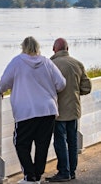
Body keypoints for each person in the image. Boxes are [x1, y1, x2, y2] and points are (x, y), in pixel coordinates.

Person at [0, 36, 66, 184]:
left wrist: (0, 91)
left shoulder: (17, 62)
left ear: (23, 47)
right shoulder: (47, 62)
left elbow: (4, 82)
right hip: (47, 110)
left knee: (21, 143)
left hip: (26, 111)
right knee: (42, 145)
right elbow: (61, 83)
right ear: (37, 47)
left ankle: (30, 176)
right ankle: (36, 176)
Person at [45, 38, 92, 182]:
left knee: (60, 142)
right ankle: (72, 171)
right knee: (72, 142)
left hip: (58, 112)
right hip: (74, 110)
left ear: (54, 49)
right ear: (68, 48)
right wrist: (75, 94)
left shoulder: (50, 64)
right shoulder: (78, 64)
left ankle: (63, 172)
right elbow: (87, 88)